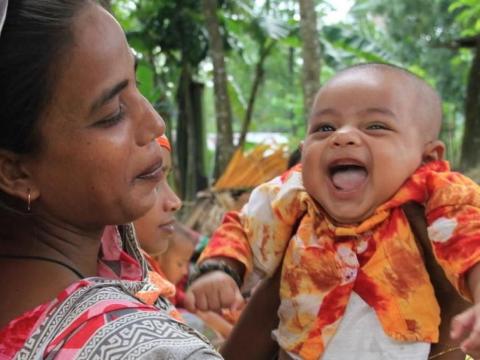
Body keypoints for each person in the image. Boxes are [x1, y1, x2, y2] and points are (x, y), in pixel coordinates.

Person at [186, 63, 480, 359]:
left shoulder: (440, 198)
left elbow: (473, 244)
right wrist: (221, 269)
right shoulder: (293, 194)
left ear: (427, 157)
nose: (342, 137)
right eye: (324, 128)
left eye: (376, 126)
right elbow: (244, 228)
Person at [0, 1, 221, 358]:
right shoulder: (152, 351)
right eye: (113, 113)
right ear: (16, 171)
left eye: (135, 84)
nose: (154, 123)